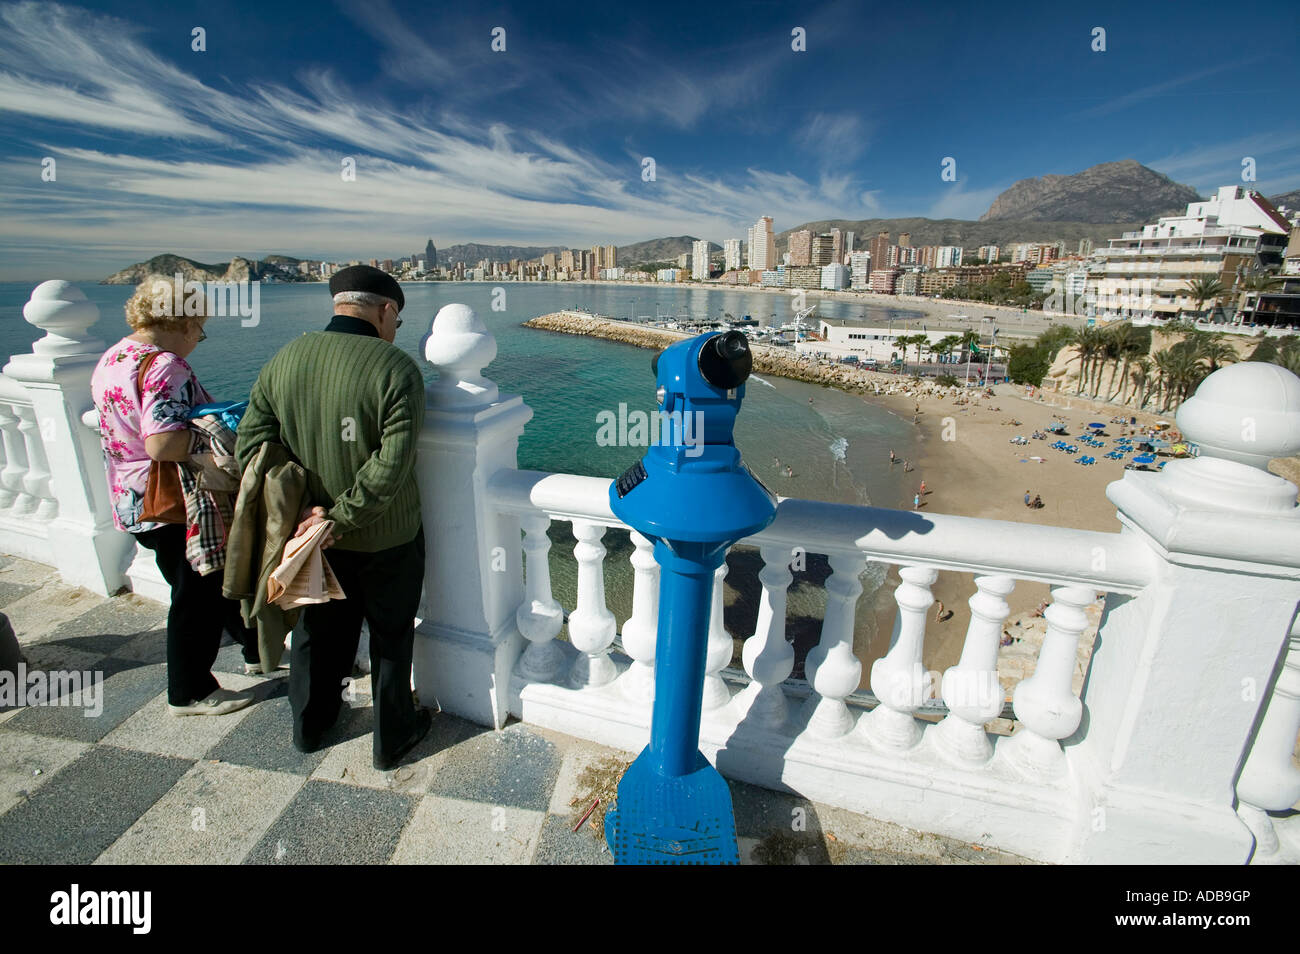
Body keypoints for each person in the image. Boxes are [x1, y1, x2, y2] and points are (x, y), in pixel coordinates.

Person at [236, 265, 431, 771]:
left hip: (309, 539)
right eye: (397, 320)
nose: (394, 331)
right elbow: (391, 465)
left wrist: (304, 511)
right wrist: (339, 517)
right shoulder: (396, 368)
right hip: (386, 538)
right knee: (391, 637)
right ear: (386, 310)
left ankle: (310, 727)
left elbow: (251, 446)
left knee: (318, 635)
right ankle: (393, 739)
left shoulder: (285, 358)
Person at [90, 278, 257, 716]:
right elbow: (162, 444)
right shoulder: (165, 365)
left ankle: (254, 649)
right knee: (195, 596)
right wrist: (219, 439)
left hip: (131, 496)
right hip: (172, 501)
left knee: (205, 584)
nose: (198, 340)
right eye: (199, 329)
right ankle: (190, 691)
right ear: (182, 322)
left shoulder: (115, 356)